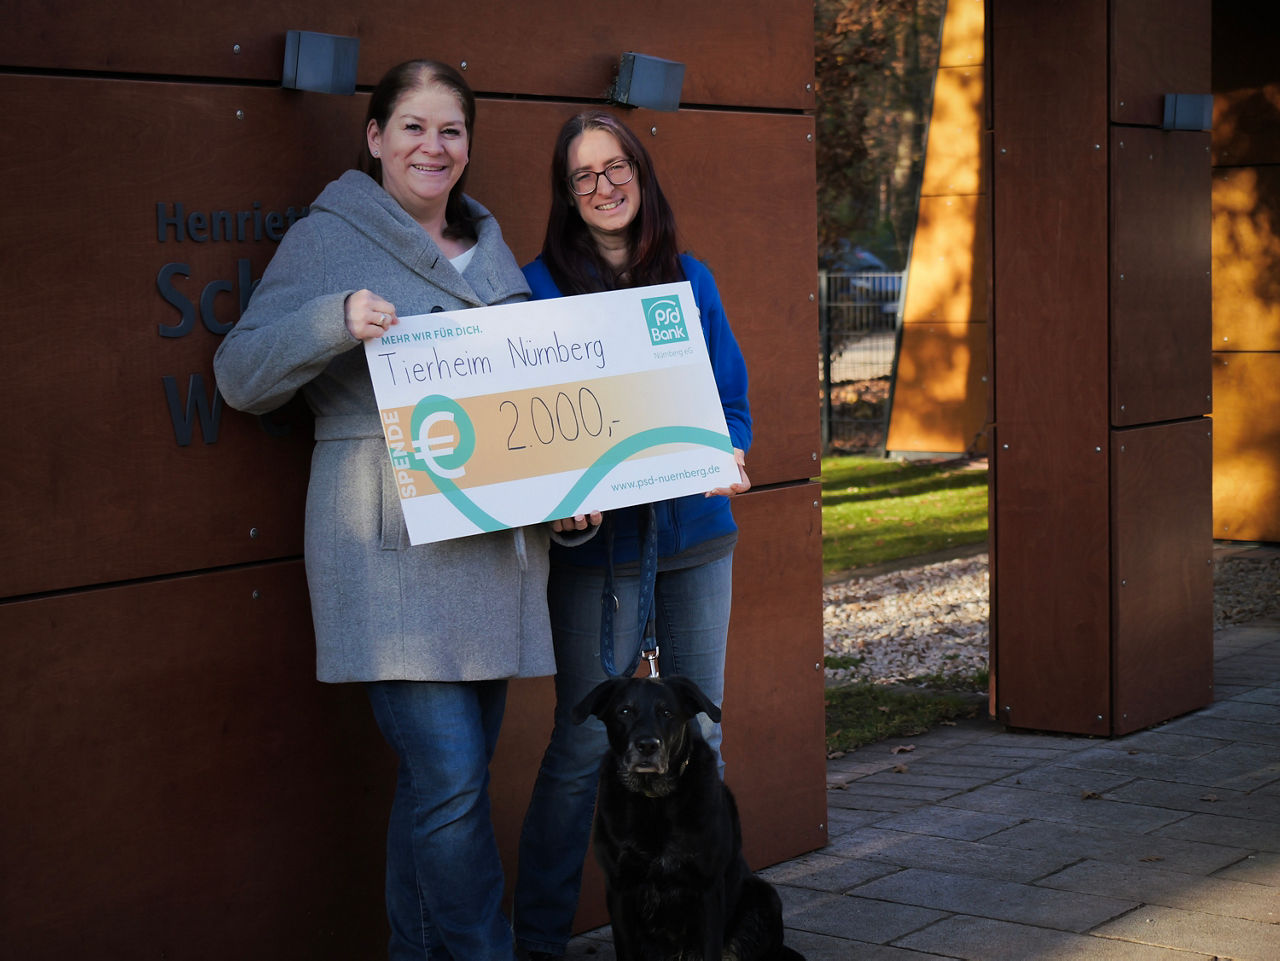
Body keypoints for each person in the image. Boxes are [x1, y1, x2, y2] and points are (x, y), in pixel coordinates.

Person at [213, 60, 552, 961]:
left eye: (451, 131)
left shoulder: (493, 249)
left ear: (469, 146)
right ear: (374, 138)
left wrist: (567, 500)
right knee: (447, 777)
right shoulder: (330, 238)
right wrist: (334, 319)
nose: (432, 147)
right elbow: (239, 373)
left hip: (488, 551)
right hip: (387, 547)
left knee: (446, 786)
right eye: (412, 127)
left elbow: (523, 411)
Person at [513, 111, 752, 961]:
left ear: (642, 177)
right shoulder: (535, 290)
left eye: (618, 169)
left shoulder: (692, 282)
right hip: (594, 557)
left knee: (700, 736)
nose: (605, 187)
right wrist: (555, 500)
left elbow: (730, 407)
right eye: (584, 176)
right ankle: (537, 941)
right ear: (567, 196)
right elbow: (531, 428)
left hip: (693, 539)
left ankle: (705, 934)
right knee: (584, 743)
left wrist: (728, 454)